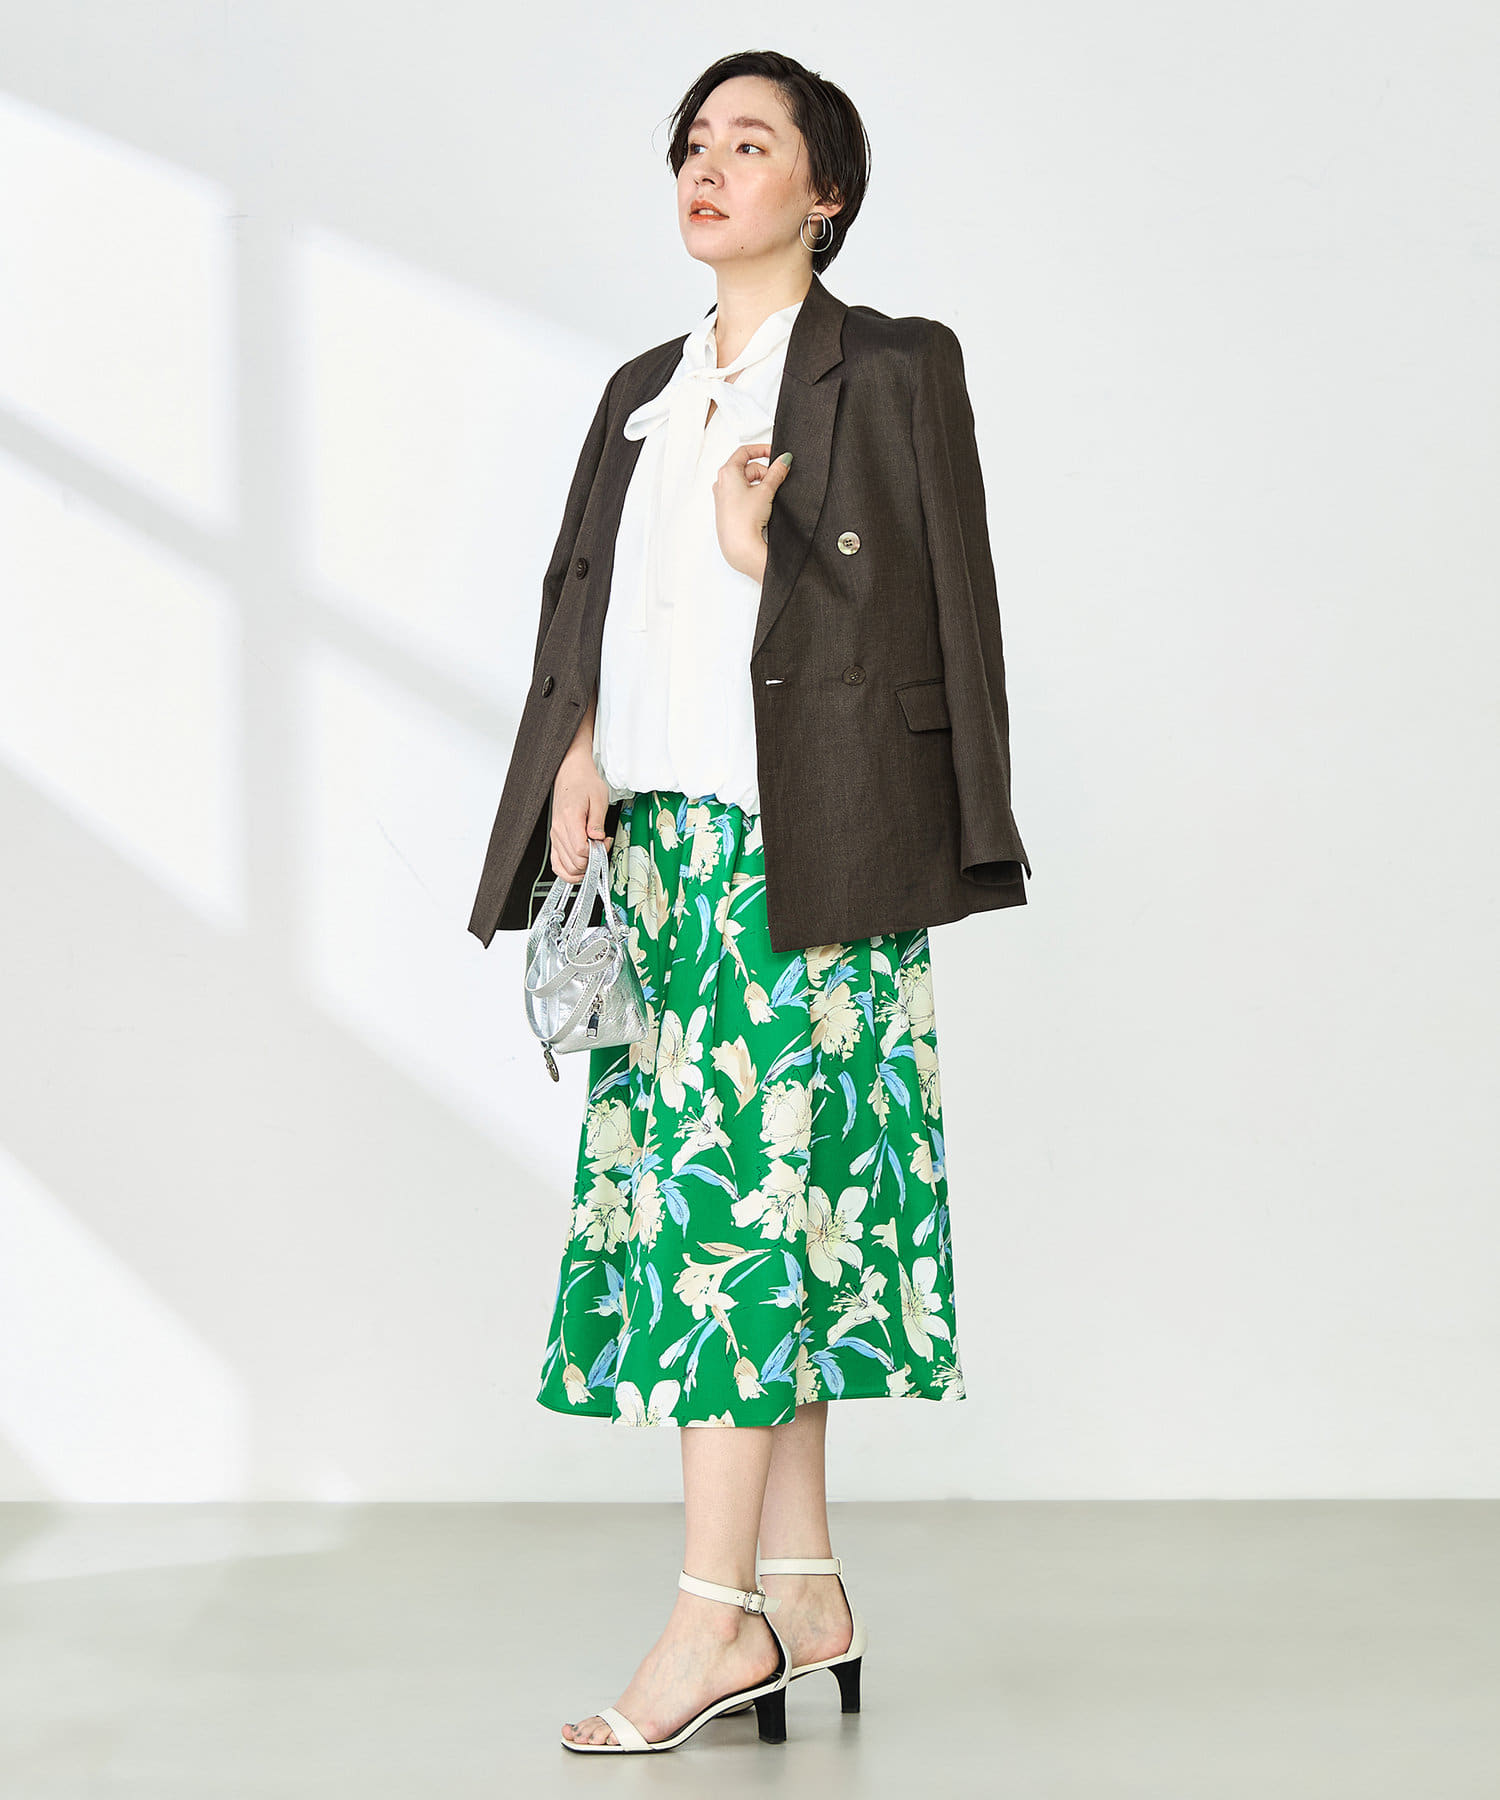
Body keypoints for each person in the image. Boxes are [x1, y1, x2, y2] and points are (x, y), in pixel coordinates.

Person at [470, 49, 1029, 1756]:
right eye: (693, 144)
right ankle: (802, 1588)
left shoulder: (896, 366)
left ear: (824, 193)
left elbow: (938, 617)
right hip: (663, 861)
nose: (708, 169)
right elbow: (587, 602)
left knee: (729, 1235)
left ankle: (707, 1624)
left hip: (810, 858)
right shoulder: (643, 390)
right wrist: (577, 745)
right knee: (750, 1221)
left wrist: (761, 550)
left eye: (751, 143)